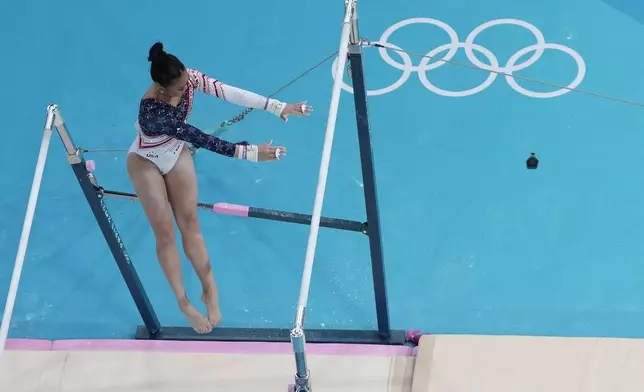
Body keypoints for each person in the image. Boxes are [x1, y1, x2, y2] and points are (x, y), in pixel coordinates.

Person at [127, 42, 311, 334]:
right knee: (165, 234)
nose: (188, 88)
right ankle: (184, 302)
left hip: (174, 152)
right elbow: (200, 138)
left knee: (190, 222)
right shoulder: (153, 110)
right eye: (181, 87)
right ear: (162, 87)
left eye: (188, 81)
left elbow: (228, 92)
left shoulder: (186, 78)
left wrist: (277, 107)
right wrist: (250, 153)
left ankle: (209, 288)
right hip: (145, 161)